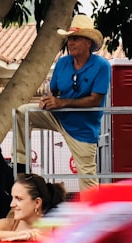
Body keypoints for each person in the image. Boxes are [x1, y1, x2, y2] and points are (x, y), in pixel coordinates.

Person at [14, 15, 111, 192]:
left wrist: (61, 103)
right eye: (69, 39)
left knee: (88, 178)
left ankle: (92, 216)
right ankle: (21, 166)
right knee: (22, 112)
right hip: (57, 116)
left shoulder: (102, 66)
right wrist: (47, 101)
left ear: (88, 42)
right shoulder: (62, 62)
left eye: (75, 38)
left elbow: (95, 100)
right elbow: (54, 91)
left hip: (83, 128)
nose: (70, 43)